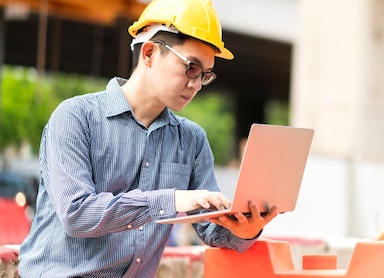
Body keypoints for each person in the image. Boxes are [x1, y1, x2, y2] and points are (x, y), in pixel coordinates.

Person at [18, 0, 279, 276]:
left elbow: (213, 232)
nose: (196, 84)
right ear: (150, 53)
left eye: (205, 75)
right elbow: (77, 215)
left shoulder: (191, 141)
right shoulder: (75, 118)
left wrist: (246, 229)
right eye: (191, 67)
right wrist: (173, 200)